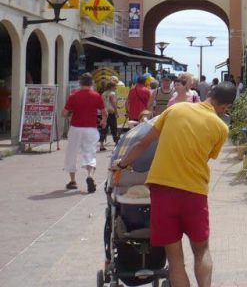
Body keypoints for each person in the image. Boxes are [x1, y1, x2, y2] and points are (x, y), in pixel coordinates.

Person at [112, 81, 235, 287]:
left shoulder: (176, 110)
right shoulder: (221, 128)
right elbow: (203, 157)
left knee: (175, 260)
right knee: (202, 250)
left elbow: (142, 143)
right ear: (226, 107)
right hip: (194, 192)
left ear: (210, 93)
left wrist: (122, 164)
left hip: (162, 192)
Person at [62, 73, 107, 192]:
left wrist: (71, 114)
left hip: (76, 128)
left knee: (72, 153)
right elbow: (104, 112)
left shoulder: (74, 95)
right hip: (91, 129)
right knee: (90, 153)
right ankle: (90, 176)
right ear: (92, 83)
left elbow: (64, 113)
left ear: (80, 83)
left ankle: (72, 181)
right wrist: (103, 121)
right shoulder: (96, 96)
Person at [99, 77, 120, 150]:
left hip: (104, 112)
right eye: (115, 86)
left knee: (104, 128)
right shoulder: (112, 94)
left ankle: (101, 145)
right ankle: (116, 143)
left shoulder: (103, 93)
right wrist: (116, 112)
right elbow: (113, 104)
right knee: (113, 128)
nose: (115, 88)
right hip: (111, 112)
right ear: (112, 87)